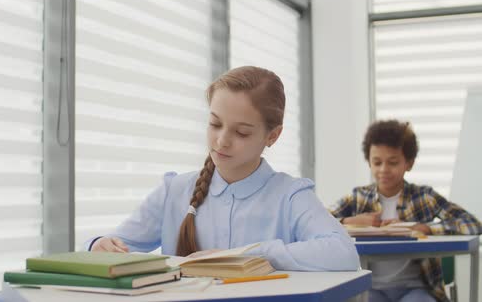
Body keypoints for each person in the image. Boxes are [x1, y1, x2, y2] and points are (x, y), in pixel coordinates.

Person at [86, 66, 359, 272]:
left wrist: (250, 255)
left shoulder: (291, 195)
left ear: (272, 136)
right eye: (215, 124)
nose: (222, 141)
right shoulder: (174, 191)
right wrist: (100, 244)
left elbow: (343, 253)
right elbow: (116, 243)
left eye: (241, 132)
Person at [330, 119, 482, 302]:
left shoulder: (424, 197)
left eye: (393, 162)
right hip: (370, 288)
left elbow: (472, 224)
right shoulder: (358, 198)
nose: (383, 170)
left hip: (415, 289)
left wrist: (425, 228)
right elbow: (317, 222)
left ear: (409, 163)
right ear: (368, 161)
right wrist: (349, 222)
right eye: (377, 162)